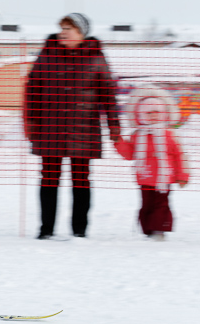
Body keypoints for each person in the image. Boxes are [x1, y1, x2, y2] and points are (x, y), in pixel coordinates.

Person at [24, 13, 121, 240]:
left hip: (83, 128)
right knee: (48, 178)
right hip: (50, 127)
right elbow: (32, 90)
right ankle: (46, 230)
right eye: (62, 28)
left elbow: (108, 93)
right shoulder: (46, 55)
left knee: (81, 179)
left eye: (70, 28)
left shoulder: (96, 58)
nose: (64, 32)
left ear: (82, 34)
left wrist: (114, 124)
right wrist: (31, 120)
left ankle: (79, 231)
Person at [114, 86, 189, 241]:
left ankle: (159, 230)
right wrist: (118, 142)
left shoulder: (169, 135)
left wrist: (183, 175)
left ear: (164, 113)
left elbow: (179, 155)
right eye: (149, 113)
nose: (153, 116)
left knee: (161, 204)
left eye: (157, 112)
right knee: (147, 204)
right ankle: (147, 229)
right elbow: (129, 154)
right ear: (141, 115)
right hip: (145, 177)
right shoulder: (137, 135)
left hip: (164, 179)